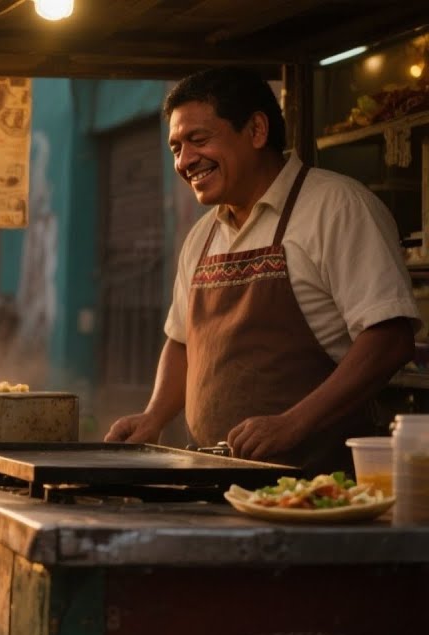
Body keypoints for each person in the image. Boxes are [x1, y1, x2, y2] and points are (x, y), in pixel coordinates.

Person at [105, 67, 418, 475]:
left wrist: (294, 423)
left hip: (318, 485)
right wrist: (153, 416)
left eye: (199, 140)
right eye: (176, 148)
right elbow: (181, 342)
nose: (184, 161)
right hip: (210, 481)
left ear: (256, 130)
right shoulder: (202, 236)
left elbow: (389, 340)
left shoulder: (337, 207)